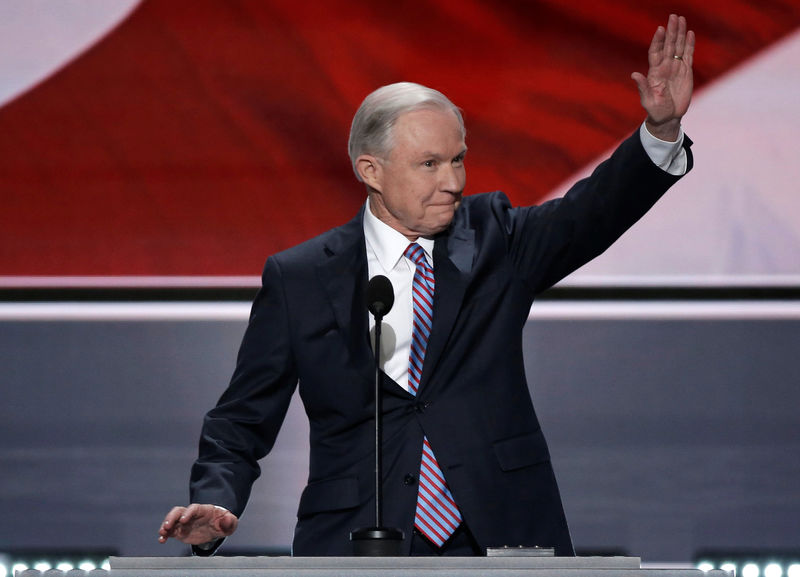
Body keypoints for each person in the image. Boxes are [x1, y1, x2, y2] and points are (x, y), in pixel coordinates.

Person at [159, 14, 695, 556]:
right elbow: (242, 417)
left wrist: (660, 133)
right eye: (430, 164)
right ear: (372, 170)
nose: (454, 182)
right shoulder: (299, 277)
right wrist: (217, 499)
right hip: (356, 541)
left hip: (501, 534)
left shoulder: (497, 239)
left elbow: (592, 213)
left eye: (459, 159)